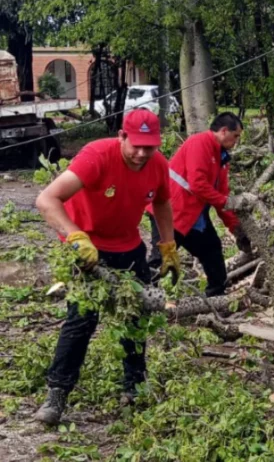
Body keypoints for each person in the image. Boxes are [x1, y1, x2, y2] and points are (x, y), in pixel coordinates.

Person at [33, 109, 180, 426]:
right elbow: (46, 200)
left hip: (128, 246)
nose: (142, 153)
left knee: (136, 317)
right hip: (88, 247)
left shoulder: (157, 164)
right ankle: (56, 395)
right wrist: (75, 237)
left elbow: (162, 202)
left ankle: (135, 386)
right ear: (122, 136)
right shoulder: (96, 156)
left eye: (149, 146)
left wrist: (167, 246)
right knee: (82, 320)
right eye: (136, 145)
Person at [148, 112, 248, 298]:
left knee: (213, 252)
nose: (236, 141)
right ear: (224, 131)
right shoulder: (200, 143)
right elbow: (198, 184)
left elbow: (222, 197)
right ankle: (141, 300)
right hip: (172, 212)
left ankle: (216, 298)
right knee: (159, 260)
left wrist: (235, 227)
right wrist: (226, 202)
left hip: (194, 217)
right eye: (236, 136)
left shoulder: (223, 158)